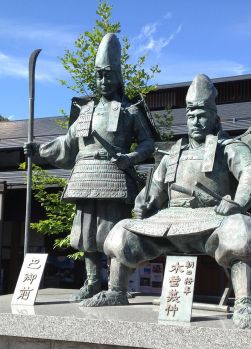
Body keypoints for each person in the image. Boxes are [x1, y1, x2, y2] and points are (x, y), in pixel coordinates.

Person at [82, 74, 251, 329]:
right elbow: (155, 188)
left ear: (215, 118)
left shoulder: (229, 147)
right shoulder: (174, 153)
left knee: (243, 231)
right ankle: (117, 291)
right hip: (170, 221)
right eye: (191, 116)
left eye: (202, 115)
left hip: (211, 220)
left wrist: (238, 202)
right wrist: (145, 203)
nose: (196, 121)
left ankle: (245, 304)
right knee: (122, 230)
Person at [24, 33, 155, 301]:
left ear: (117, 76)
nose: (103, 81)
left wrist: (129, 159)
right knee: (86, 234)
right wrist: (38, 149)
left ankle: (116, 285)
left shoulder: (130, 110)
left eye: (108, 75)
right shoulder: (86, 111)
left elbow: (147, 144)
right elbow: (67, 143)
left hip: (113, 176)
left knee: (112, 232)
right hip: (85, 177)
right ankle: (93, 281)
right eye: (99, 75)